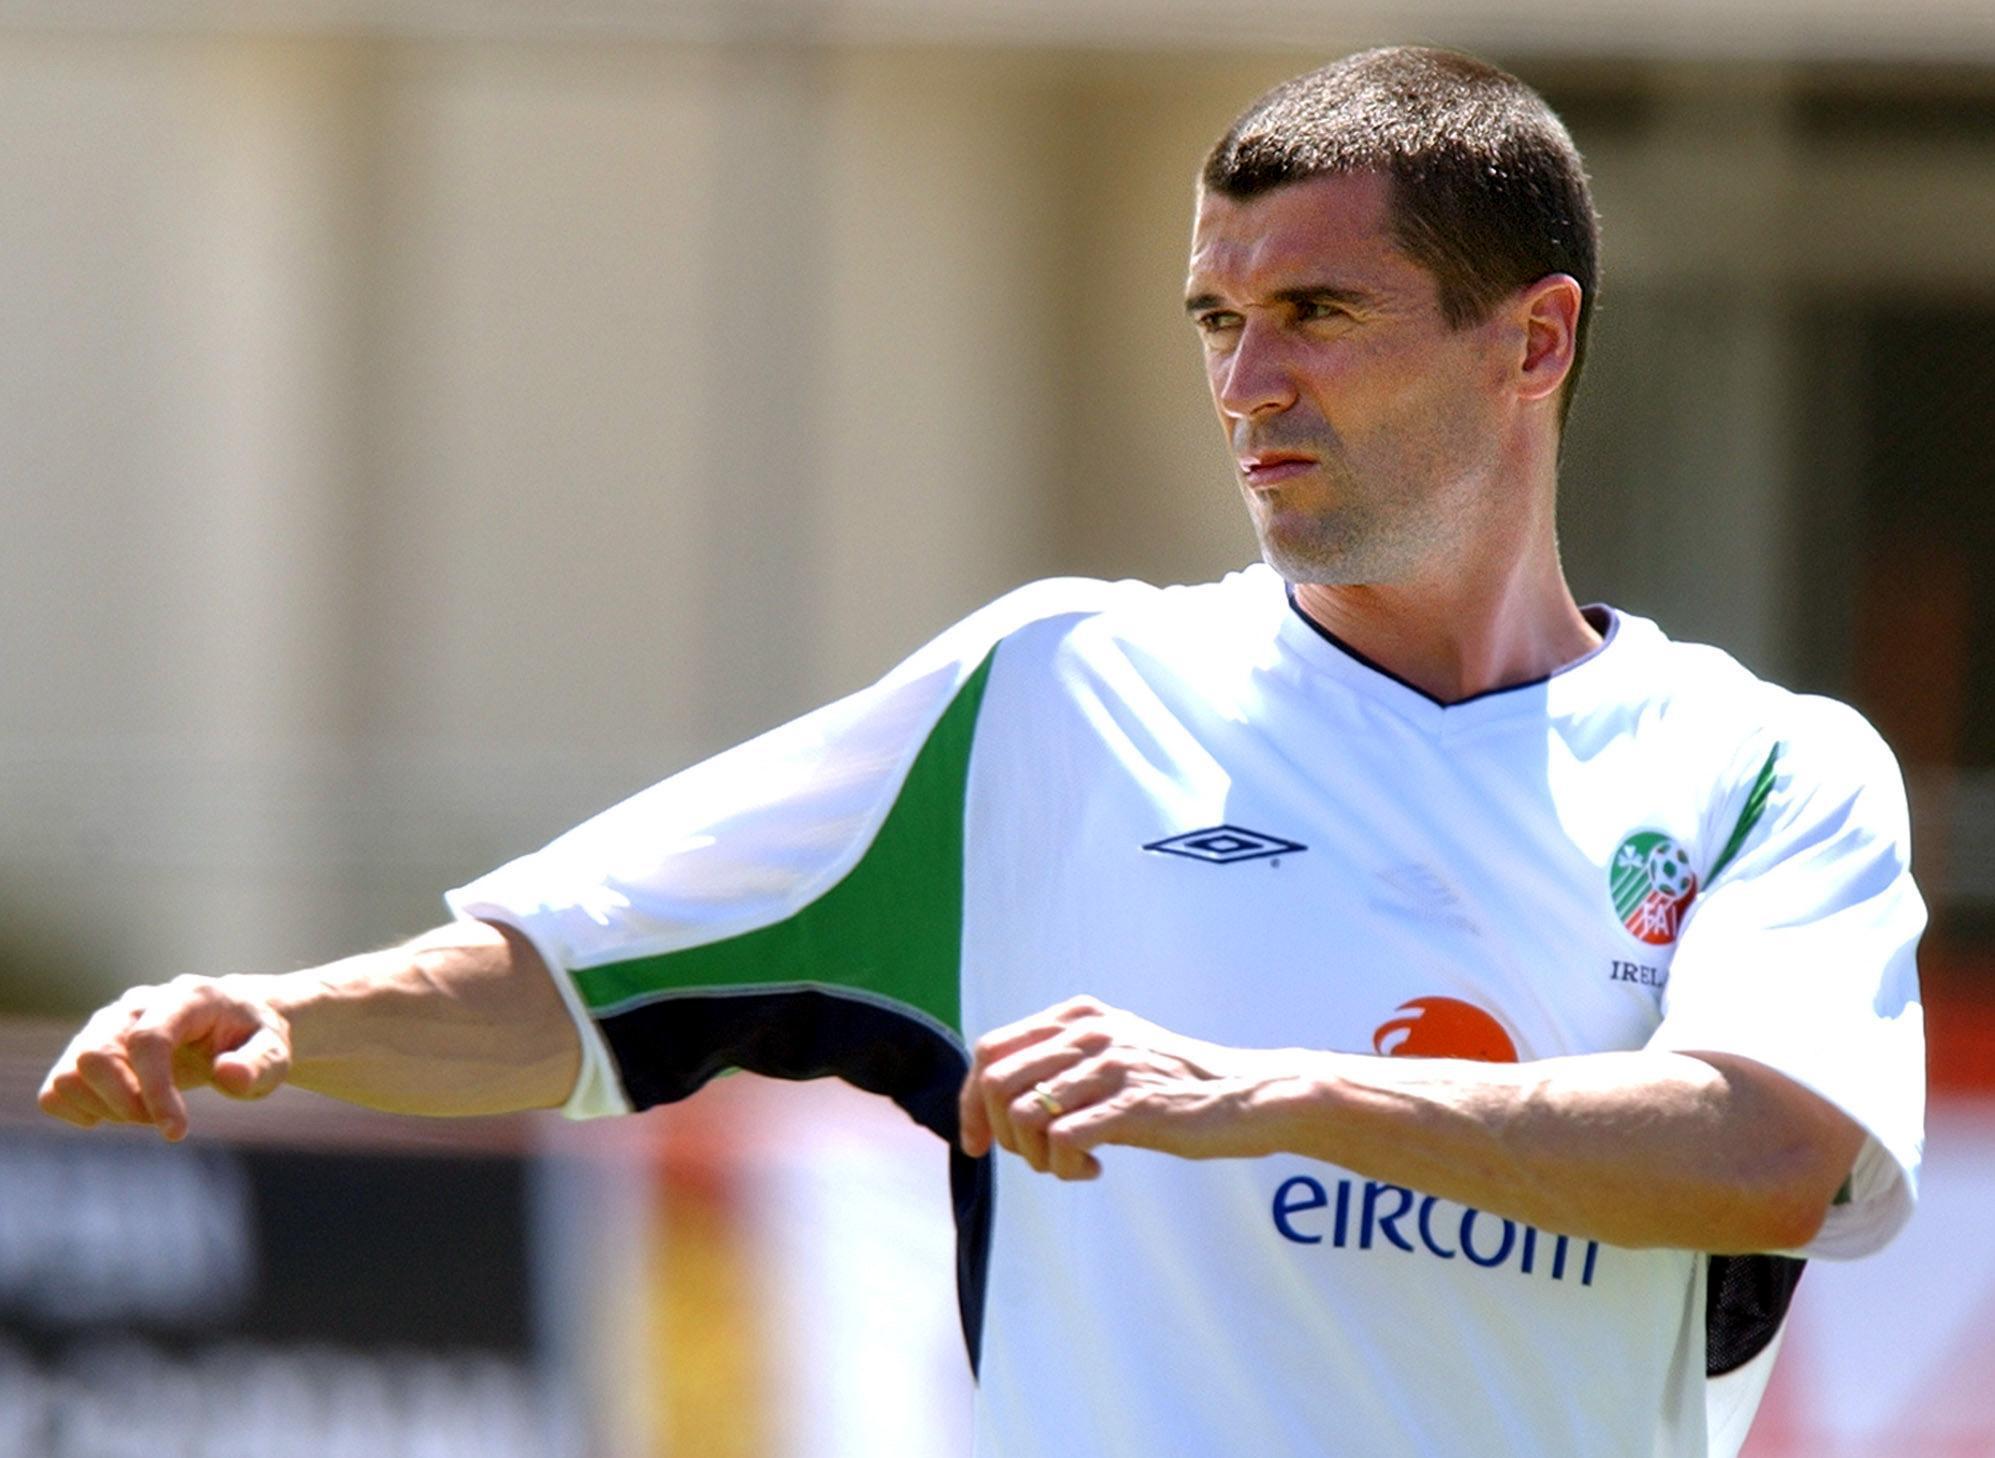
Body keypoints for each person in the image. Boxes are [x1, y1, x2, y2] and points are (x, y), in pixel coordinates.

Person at [38, 45, 1923, 1458]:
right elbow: (575, 971)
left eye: (1319, 314)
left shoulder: (1767, 765)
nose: (1249, 383)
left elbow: (1768, 1151)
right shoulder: (1049, 695)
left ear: (1536, 342)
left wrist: (1257, 1092)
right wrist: (282, 1011)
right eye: (1217, 318)